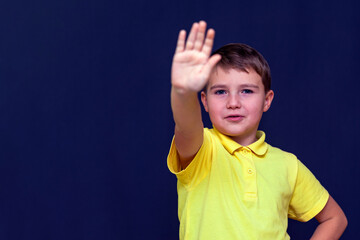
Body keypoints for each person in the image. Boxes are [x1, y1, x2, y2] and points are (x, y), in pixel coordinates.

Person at [167, 20, 348, 240]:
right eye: (221, 92)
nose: (233, 102)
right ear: (204, 101)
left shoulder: (288, 165)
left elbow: (335, 218)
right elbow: (186, 126)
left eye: (246, 91)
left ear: (267, 100)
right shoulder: (202, 148)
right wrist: (183, 92)